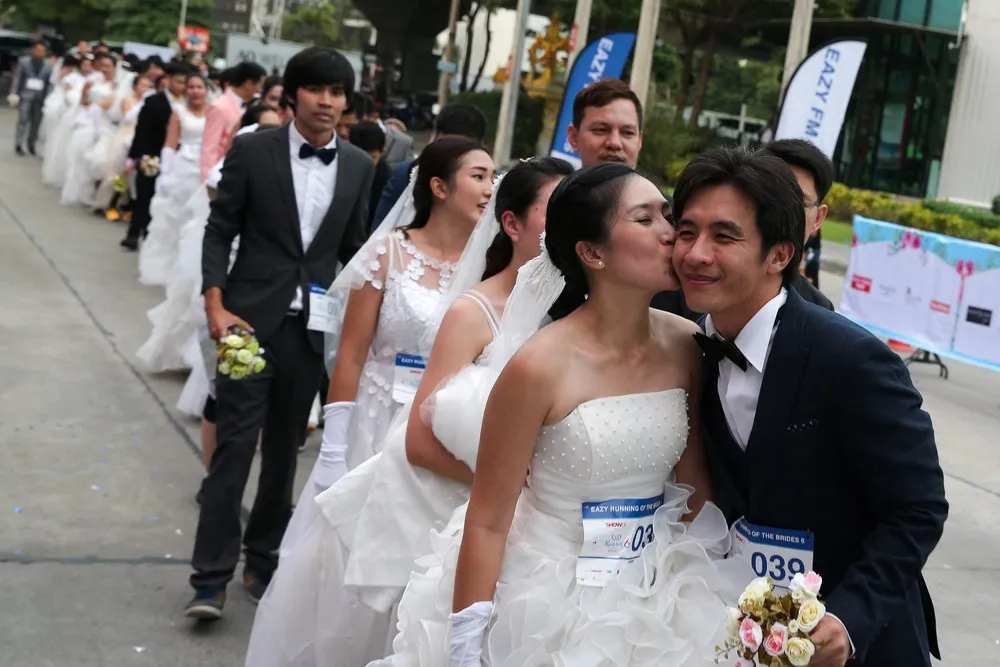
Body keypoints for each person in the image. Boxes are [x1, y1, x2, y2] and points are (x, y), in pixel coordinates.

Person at [375, 163, 738, 666]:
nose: (670, 234)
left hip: (656, 583)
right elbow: (487, 518)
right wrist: (464, 647)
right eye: (644, 219)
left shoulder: (686, 344)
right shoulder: (537, 365)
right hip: (545, 591)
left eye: (667, 214)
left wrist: (712, 585)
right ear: (592, 252)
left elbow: (695, 484)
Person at [671, 145, 948, 667]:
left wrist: (848, 619)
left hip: (855, 646)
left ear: (780, 254)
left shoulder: (851, 359)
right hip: (731, 633)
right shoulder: (685, 350)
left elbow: (918, 507)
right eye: (687, 231)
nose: (695, 253)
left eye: (723, 236)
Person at [184, 46, 376, 620]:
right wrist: (215, 305)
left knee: (285, 454)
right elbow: (220, 230)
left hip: (310, 332)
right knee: (234, 450)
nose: (328, 101)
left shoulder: (361, 167)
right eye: (317, 90)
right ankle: (208, 578)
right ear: (293, 96)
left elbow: (355, 254)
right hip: (246, 323)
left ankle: (262, 559)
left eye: (338, 92)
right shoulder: (252, 150)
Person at [372, 103, 488, 226]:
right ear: (433, 138)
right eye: (446, 147)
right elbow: (381, 228)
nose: (452, 157)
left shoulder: (492, 187)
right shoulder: (407, 175)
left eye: (462, 152)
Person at [121, 62, 190, 250]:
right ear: (167, 80)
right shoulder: (154, 102)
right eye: (178, 81)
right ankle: (133, 234)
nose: (181, 87)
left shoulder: (189, 105)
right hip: (152, 155)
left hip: (179, 158)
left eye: (185, 83)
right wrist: (135, 157)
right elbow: (141, 132)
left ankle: (155, 236)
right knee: (145, 196)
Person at [763, 138, 835, 309]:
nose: (783, 211)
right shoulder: (701, 278)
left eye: (798, 202)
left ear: (818, 219)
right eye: (772, 196)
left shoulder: (818, 308)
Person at [199, 60, 267, 183]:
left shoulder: (253, 106)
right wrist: (208, 182)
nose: (260, 90)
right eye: (259, 85)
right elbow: (209, 149)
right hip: (220, 175)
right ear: (248, 83)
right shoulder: (220, 107)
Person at [348, 120, 391, 233]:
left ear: (382, 152)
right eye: (360, 157)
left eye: (372, 158)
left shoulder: (387, 181)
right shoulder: (342, 171)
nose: (365, 165)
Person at [10, 40, 52, 156]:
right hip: (26, 95)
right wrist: (14, 93)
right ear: (33, 50)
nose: (40, 52)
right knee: (23, 120)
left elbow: (49, 83)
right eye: (38, 50)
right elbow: (18, 78)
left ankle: (31, 143)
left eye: (42, 51)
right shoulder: (24, 62)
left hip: (40, 97)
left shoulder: (48, 65)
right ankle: (19, 143)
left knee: (36, 122)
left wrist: (48, 97)